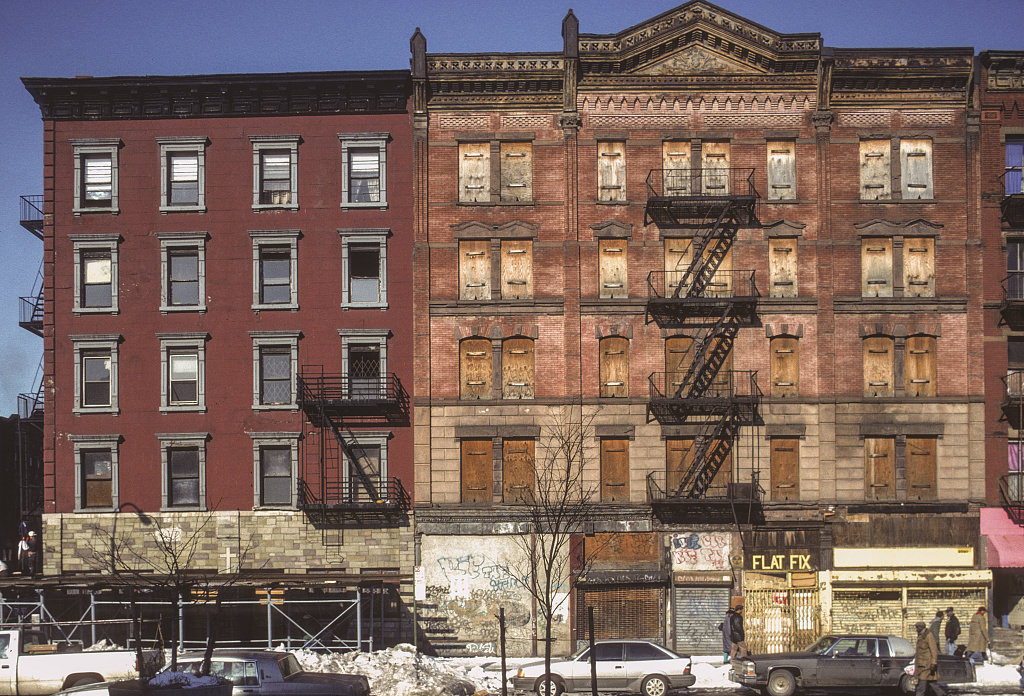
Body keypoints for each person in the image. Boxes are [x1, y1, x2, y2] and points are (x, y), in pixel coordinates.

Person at [914, 620, 945, 696]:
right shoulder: (920, 635)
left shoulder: (928, 635)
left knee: (921, 687)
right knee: (933, 685)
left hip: (927, 666)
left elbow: (934, 650)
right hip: (921, 664)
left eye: (917, 627)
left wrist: (934, 663)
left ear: (921, 627)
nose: (916, 629)